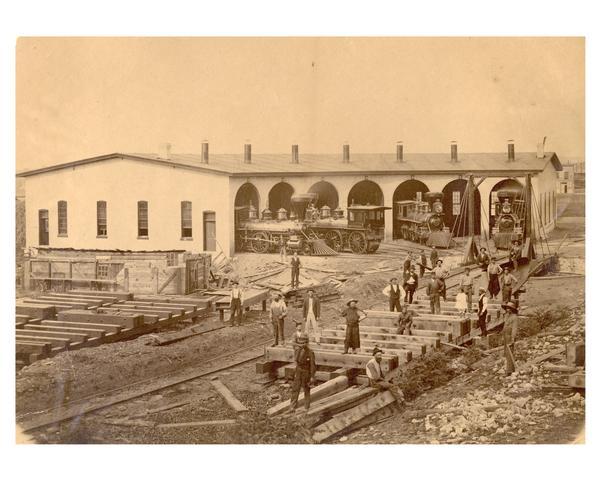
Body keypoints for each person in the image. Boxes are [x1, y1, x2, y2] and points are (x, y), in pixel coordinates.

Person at [289, 333, 316, 412]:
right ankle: (292, 406)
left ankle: (306, 407)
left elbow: (312, 365)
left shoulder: (310, 352)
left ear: (307, 343)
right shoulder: (298, 350)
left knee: (306, 390)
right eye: (300, 343)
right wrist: (295, 372)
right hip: (299, 372)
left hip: (306, 373)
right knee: (295, 389)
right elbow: (296, 362)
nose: (302, 344)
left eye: (304, 343)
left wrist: (312, 376)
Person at [501, 301, 519, 375]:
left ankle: (510, 370)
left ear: (512, 309)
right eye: (507, 308)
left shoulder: (515, 317)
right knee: (506, 353)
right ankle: (508, 368)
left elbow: (514, 328)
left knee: (510, 352)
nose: (507, 310)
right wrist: (502, 336)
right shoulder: (507, 316)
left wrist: (513, 338)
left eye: (509, 308)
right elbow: (504, 327)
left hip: (509, 336)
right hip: (505, 336)